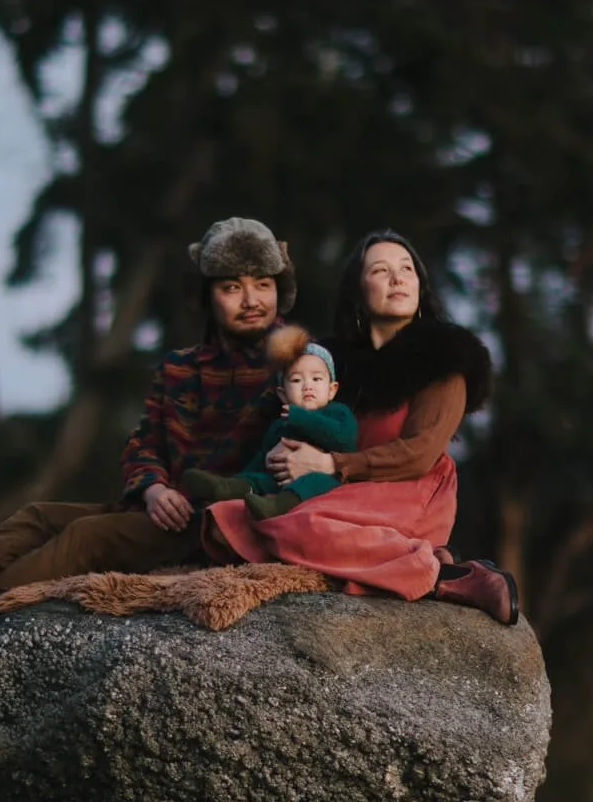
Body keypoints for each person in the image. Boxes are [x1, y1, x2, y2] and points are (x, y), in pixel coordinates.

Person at [0, 217, 293, 648]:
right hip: (163, 508)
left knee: (85, 536)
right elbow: (144, 441)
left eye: (263, 284)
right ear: (206, 295)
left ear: (280, 289)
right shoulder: (179, 366)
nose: (251, 300)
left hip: (220, 521)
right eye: (231, 287)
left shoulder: (297, 364)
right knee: (40, 515)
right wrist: (152, 488)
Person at [202, 231, 519, 623]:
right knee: (228, 518)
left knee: (291, 523)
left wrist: (331, 464)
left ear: (420, 285)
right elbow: (312, 426)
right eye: (381, 270)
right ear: (358, 290)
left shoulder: (446, 360)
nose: (398, 278)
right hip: (348, 490)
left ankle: (446, 577)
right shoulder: (335, 367)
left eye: (407, 270)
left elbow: (419, 454)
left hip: (412, 490)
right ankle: (393, 554)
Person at [182, 326, 358, 522]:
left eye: (317, 378)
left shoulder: (337, 412)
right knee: (260, 479)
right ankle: (226, 487)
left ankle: (277, 506)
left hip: (323, 481)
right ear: (283, 394)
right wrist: (259, 466)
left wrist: (302, 418)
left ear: (332, 390)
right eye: (297, 380)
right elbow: (261, 457)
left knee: (313, 481)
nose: (308, 385)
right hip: (280, 479)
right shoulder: (280, 423)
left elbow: (344, 439)